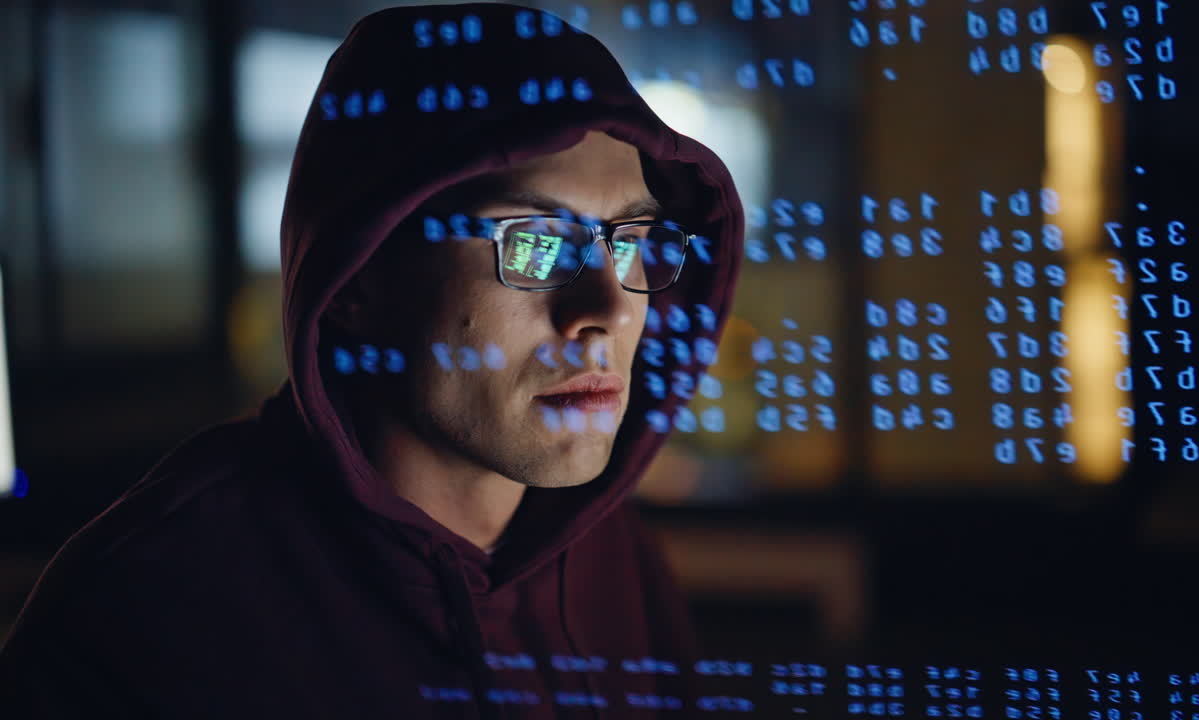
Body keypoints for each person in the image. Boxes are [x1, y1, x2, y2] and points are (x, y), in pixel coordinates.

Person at [0, 3, 744, 718]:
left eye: (631, 241)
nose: (611, 310)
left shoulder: (609, 557)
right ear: (358, 282)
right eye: (535, 242)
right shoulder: (145, 617)